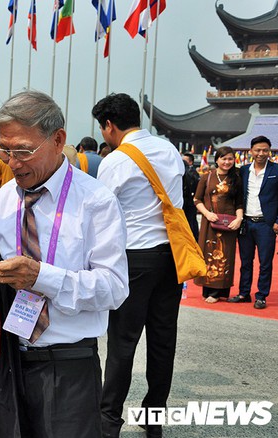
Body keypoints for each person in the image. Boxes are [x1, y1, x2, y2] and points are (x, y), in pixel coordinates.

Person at [0, 90, 128, 437]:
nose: (12, 162)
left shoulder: (96, 201)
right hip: (6, 358)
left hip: (68, 364)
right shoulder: (4, 198)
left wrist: (42, 277)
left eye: (23, 150)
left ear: (58, 140)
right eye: (4, 150)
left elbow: (114, 288)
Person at [94, 93, 185, 438]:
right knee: (163, 341)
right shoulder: (170, 150)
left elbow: (101, 213)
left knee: (123, 343)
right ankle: (153, 419)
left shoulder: (116, 161)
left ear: (109, 125)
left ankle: (109, 421)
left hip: (134, 258)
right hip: (171, 256)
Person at [229, 136, 278, 310]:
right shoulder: (244, 170)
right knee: (245, 261)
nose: (261, 153)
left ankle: (262, 296)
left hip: (266, 224)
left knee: (265, 262)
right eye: (257, 150)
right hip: (246, 223)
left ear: (269, 151)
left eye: (264, 150)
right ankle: (244, 293)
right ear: (251, 152)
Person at [193, 146, 244, 303]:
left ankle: (217, 292)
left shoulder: (236, 178)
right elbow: (197, 199)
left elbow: (239, 202)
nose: (227, 162)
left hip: (229, 224)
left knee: (224, 255)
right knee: (208, 253)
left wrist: (239, 219)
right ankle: (207, 289)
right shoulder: (206, 177)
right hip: (210, 223)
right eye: (224, 158)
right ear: (217, 160)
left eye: (230, 159)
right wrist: (207, 214)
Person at [182, 152, 201, 240]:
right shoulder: (185, 171)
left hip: (190, 201)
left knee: (191, 222)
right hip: (188, 201)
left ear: (190, 162)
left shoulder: (192, 173)